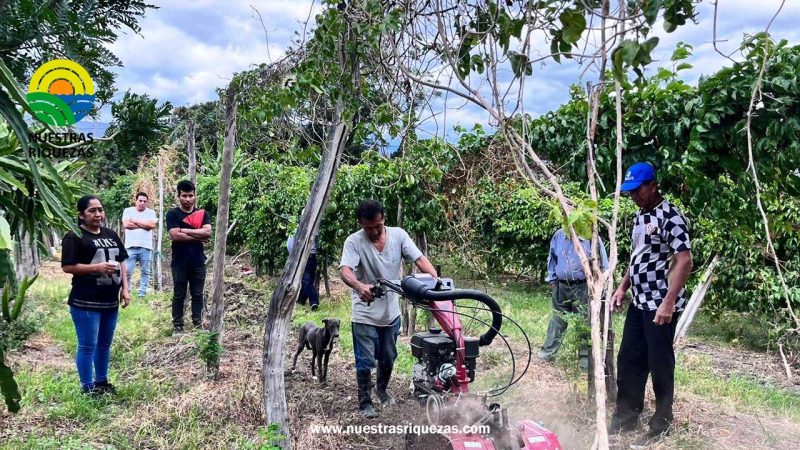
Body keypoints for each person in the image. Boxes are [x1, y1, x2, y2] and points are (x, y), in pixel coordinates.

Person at [609, 162, 693, 439]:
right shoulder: (639, 218)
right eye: (629, 192)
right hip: (639, 301)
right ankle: (625, 418)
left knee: (660, 364)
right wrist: (622, 287)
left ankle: (660, 424)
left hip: (660, 303)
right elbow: (638, 259)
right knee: (629, 360)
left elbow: (684, 261)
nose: (633, 196)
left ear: (653, 186)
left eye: (638, 190)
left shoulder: (671, 217)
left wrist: (669, 302)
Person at [339, 200, 437, 418]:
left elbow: (419, 258)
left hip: (390, 312)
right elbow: (345, 270)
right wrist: (358, 285)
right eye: (368, 228)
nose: (374, 232)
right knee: (365, 359)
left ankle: (381, 390)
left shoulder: (399, 236)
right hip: (364, 311)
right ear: (360, 224)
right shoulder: (353, 242)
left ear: (384, 219)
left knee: (388, 356)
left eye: (378, 226)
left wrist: (437, 281)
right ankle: (365, 402)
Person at [61, 195, 130, 395]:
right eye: (92, 211)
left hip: (109, 301)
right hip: (85, 301)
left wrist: (125, 289)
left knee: (104, 344)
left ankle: (102, 382)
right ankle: (87, 387)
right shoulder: (74, 236)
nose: (98, 214)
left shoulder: (111, 234)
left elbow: (122, 261)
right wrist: (96, 267)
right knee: (87, 345)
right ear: (81, 215)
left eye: (100, 209)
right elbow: (67, 267)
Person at [538, 227, 608, 371]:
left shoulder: (591, 236)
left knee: (584, 321)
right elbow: (552, 258)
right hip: (561, 285)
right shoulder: (559, 234)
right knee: (557, 319)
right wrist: (553, 280)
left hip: (583, 287)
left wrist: (599, 285)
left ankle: (584, 361)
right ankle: (547, 354)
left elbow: (604, 264)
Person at [166, 180, 212, 333]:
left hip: (198, 261)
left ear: (195, 196)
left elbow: (208, 232)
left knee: (198, 293)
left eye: (190, 196)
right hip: (179, 262)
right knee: (179, 293)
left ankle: (198, 323)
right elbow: (174, 235)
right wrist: (198, 236)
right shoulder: (172, 214)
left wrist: (183, 230)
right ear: (178, 196)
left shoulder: (202, 214)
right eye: (184, 196)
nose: (187, 199)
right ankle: (177, 326)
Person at [122, 192, 157, 297]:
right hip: (130, 246)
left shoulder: (151, 213)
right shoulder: (128, 211)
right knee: (127, 271)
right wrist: (144, 224)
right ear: (135, 200)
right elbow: (126, 225)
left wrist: (135, 221)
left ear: (147, 202)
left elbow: (151, 225)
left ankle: (142, 293)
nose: (142, 203)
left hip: (145, 247)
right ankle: (127, 291)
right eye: (140, 201)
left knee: (145, 271)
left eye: (144, 201)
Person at [287, 226, 320, 310]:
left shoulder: (315, 228)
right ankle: (314, 301)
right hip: (302, 257)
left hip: (312, 256)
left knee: (309, 281)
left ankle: (301, 300)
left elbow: (317, 242)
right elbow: (290, 245)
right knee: (306, 280)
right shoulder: (297, 229)